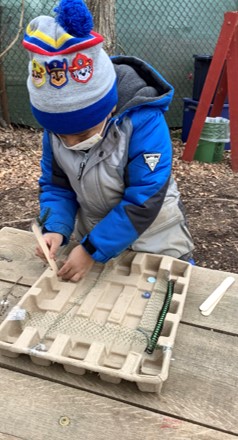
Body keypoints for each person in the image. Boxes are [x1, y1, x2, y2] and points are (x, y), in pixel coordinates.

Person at [22, 0, 194, 282]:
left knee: (164, 294)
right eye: (60, 135)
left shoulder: (144, 123)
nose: (70, 142)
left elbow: (144, 198)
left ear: (109, 108)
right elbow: (57, 185)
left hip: (157, 234)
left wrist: (92, 249)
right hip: (95, 230)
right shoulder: (56, 129)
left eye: (82, 134)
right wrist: (55, 227)